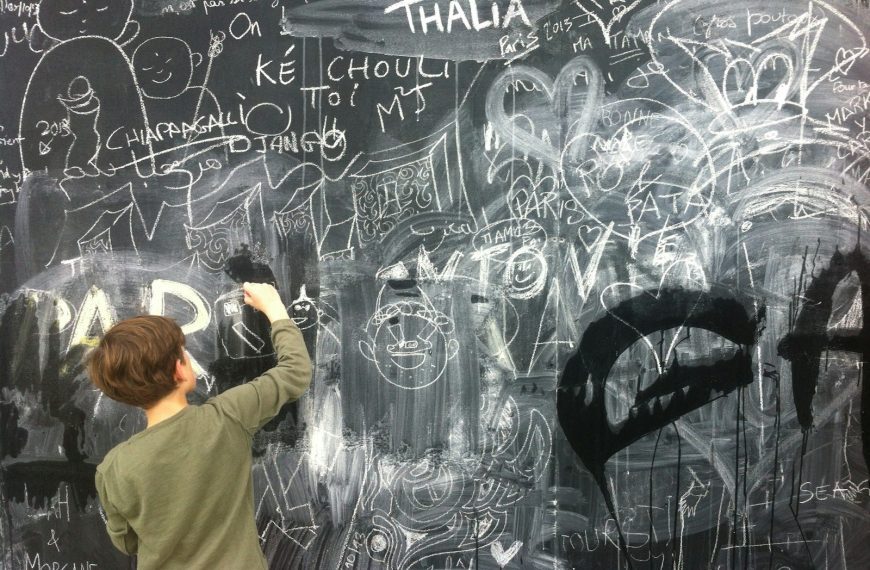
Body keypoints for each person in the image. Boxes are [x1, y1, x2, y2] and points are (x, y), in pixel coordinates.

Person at [88, 282, 312, 569]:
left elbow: (127, 542)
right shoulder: (228, 416)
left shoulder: (113, 469)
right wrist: (273, 308)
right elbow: (295, 371)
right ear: (180, 368)